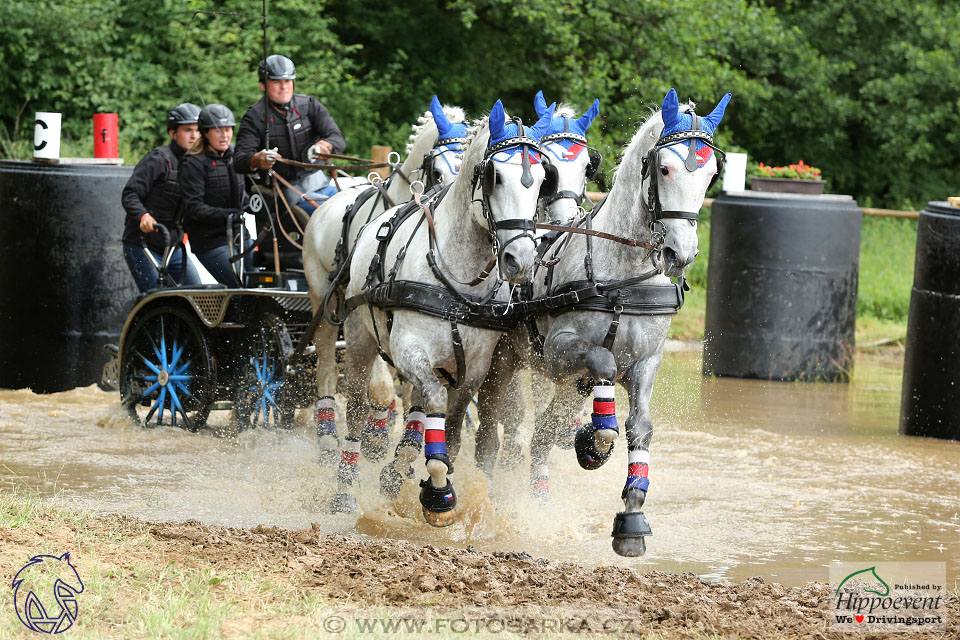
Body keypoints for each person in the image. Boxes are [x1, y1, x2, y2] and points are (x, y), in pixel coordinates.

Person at [233, 54, 346, 213]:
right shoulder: (254, 117)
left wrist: (324, 146)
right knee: (328, 213)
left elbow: (337, 138)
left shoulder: (309, 105)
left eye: (287, 81)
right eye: (276, 82)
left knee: (350, 208)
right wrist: (258, 159)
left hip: (320, 184)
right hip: (284, 194)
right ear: (263, 85)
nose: (283, 87)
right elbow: (239, 160)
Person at [121, 103, 203, 292]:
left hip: (173, 247)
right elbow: (130, 194)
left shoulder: (200, 164)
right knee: (155, 297)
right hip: (142, 244)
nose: (194, 136)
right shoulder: (158, 159)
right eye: (188, 130)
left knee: (199, 295)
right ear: (172, 133)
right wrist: (143, 216)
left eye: (199, 131)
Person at [179, 103, 246, 288]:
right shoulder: (192, 163)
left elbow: (248, 192)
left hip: (240, 236)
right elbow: (194, 207)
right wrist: (229, 215)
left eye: (228, 130)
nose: (224, 136)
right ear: (205, 133)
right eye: (218, 131)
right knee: (240, 286)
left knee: (258, 285)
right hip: (210, 241)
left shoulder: (236, 156)